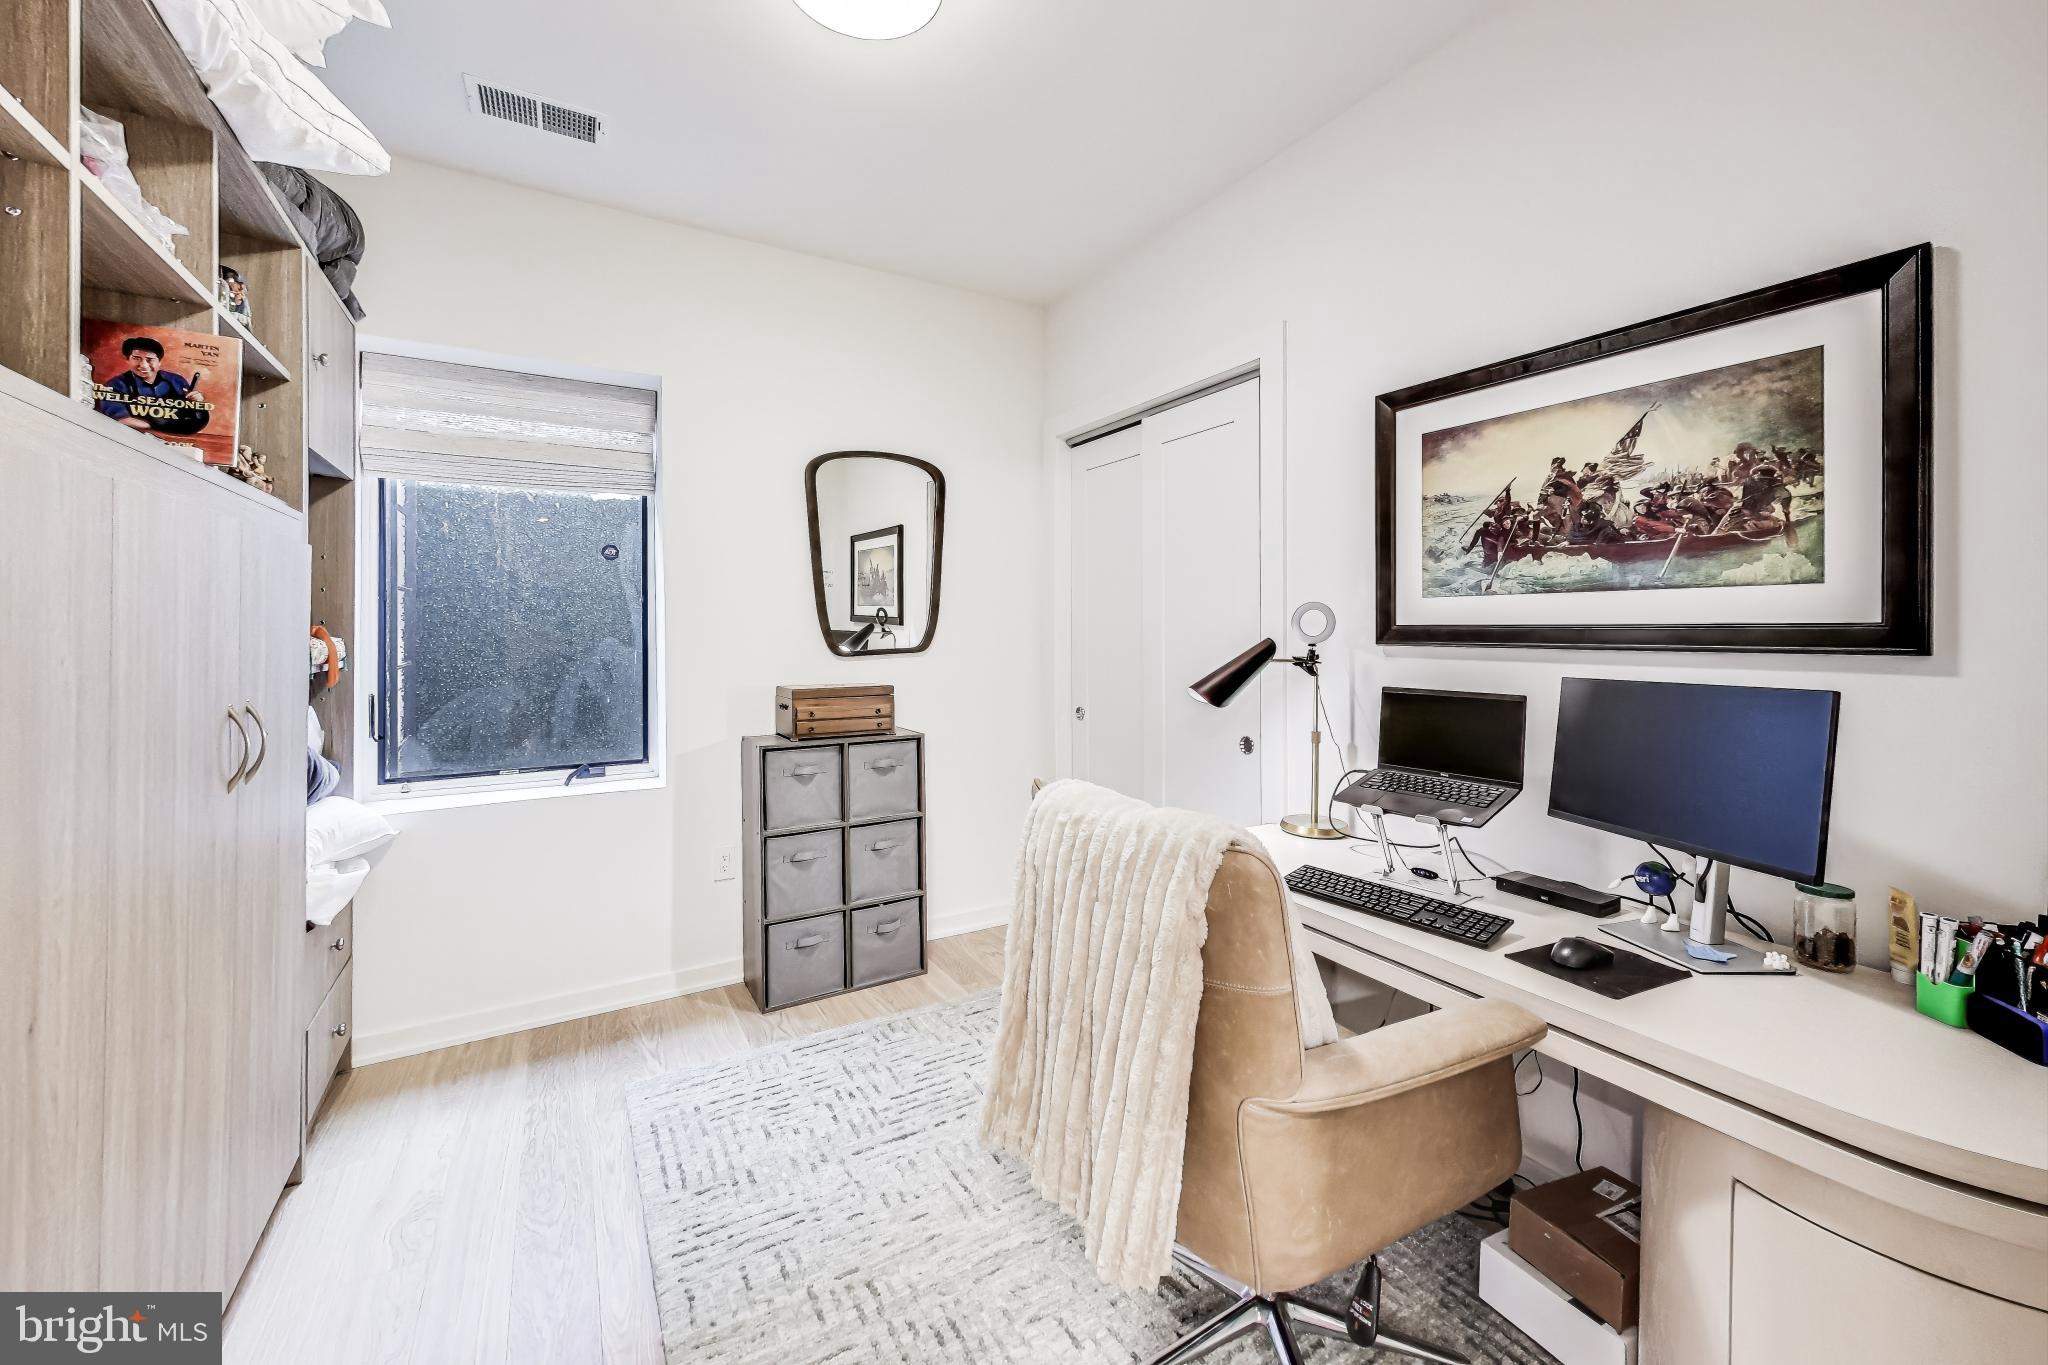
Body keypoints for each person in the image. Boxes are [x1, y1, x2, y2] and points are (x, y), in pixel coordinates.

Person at [94, 336, 209, 433]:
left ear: (159, 362)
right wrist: (155, 424)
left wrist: (196, 402)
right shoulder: (115, 385)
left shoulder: (176, 381)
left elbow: (195, 415)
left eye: (149, 359)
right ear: (127, 360)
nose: (143, 365)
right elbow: (119, 420)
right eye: (136, 358)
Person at [1735, 463, 1793, 534]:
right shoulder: (1751, 483)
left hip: (1753, 515)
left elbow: (1785, 510)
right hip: (1751, 515)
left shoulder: (1750, 482)